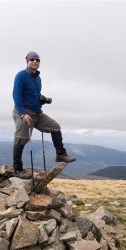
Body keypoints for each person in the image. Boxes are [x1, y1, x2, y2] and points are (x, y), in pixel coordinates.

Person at [12, 51, 75, 179]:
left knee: (55, 127)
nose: (35, 61)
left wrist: (41, 99)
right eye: (32, 59)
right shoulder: (21, 75)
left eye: (37, 60)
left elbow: (32, 95)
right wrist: (23, 113)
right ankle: (17, 169)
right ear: (27, 62)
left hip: (37, 113)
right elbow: (16, 95)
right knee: (21, 139)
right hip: (24, 112)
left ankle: (60, 154)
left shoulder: (37, 77)